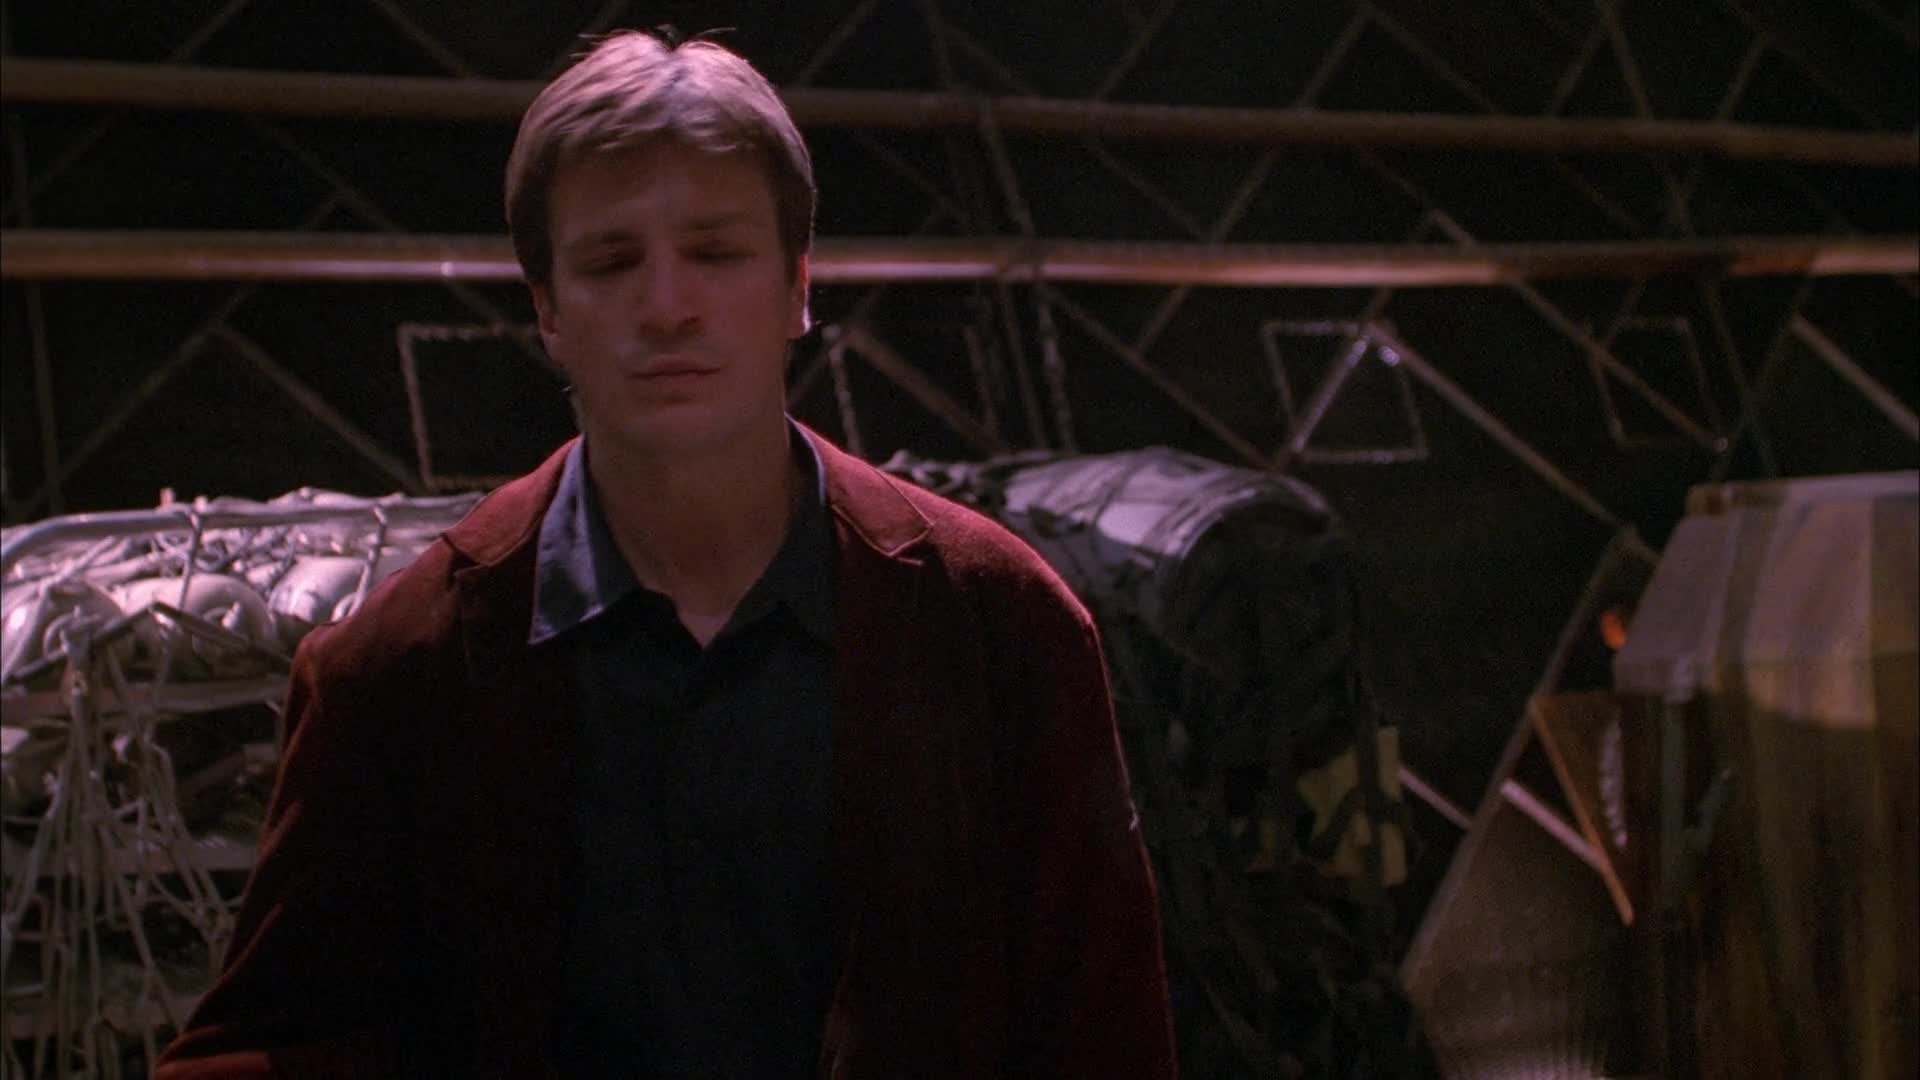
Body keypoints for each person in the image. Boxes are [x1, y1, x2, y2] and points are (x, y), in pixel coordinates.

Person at [154, 28, 1176, 1079]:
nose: (667, 306)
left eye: (716, 253)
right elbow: (275, 1046)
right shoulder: (404, 666)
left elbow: (1103, 1035)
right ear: (548, 309)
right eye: (611, 262)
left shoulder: (996, 623)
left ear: (798, 285)